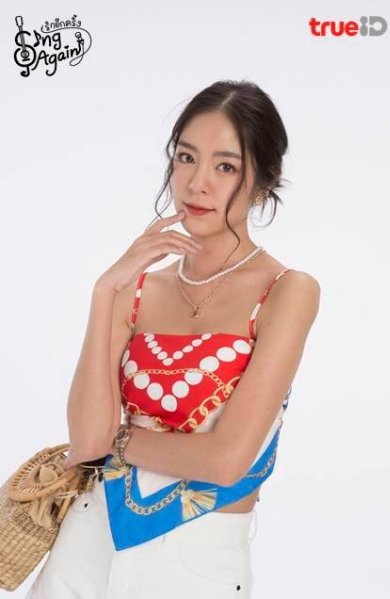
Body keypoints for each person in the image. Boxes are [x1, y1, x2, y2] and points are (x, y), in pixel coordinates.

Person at [25, 79, 320, 599]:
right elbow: (85, 440)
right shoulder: (134, 288)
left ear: (263, 182)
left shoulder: (286, 291)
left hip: (196, 560)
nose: (197, 183)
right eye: (186, 157)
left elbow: (227, 461)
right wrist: (104, 291)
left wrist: (116, 442)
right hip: (87, 545)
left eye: (225, 167)